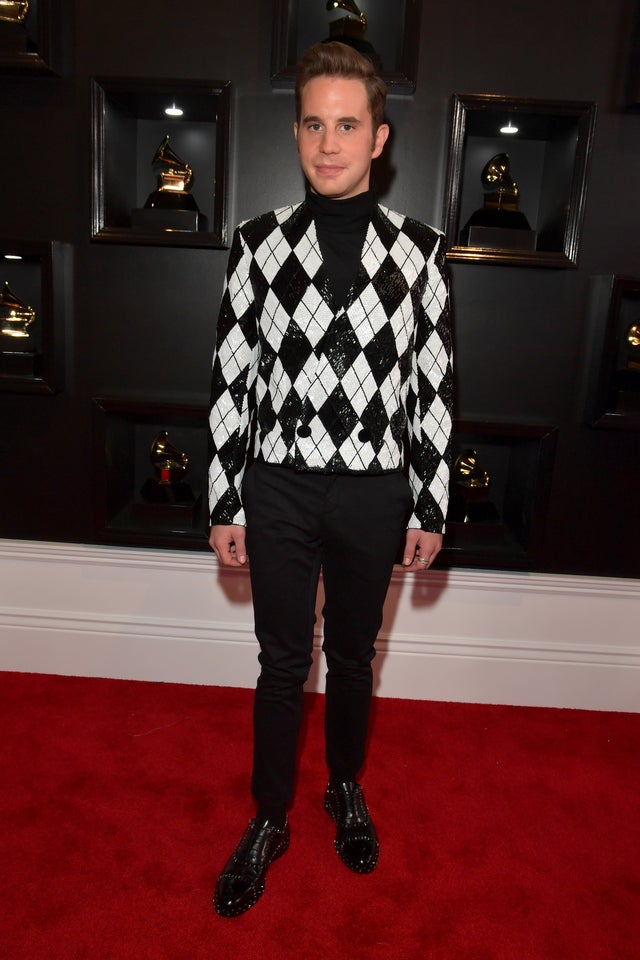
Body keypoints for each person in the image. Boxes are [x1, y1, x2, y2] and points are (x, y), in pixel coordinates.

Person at [208, 40, 453, 918]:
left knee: (354, 657)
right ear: (299, 131)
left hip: (375, 489)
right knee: (282, 662)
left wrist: (430, 502)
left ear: (379, 137)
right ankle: (267, 817)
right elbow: (232, 371)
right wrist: (224, 496)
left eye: (347, 124)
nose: (328, 142)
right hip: (275, 485)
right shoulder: (259, 245)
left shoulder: (421, 251)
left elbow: (433, 385)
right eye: (314, 122)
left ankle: (343, 787)